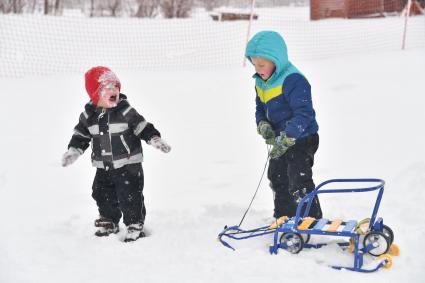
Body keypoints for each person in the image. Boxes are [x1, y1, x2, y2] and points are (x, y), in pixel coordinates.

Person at [62, 66, 171, 242]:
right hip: (103, 166)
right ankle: (109, 220)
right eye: (107, 88)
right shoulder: (88, 115)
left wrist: (154, 138)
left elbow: (142, 126)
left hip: (128, 164)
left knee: (130, 195)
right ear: (95, 94)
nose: (114, 91)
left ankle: (134, 223)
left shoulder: (125, 111)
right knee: (101, 193)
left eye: (116, 87)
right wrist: (74, 150)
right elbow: (81, 135)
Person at [245, 31, 322, 220]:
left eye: (262, 64)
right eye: (254, 64)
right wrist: (262, 123)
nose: (258, 68)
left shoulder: (293, 80)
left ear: (276, 60)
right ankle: (284, 216)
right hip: (281, 139)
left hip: (302, 137)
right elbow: (260, 108)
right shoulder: (261, 82)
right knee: (277, 176)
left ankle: (311, 220)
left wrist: (288, 137)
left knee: (298, 179)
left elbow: (305, 114)